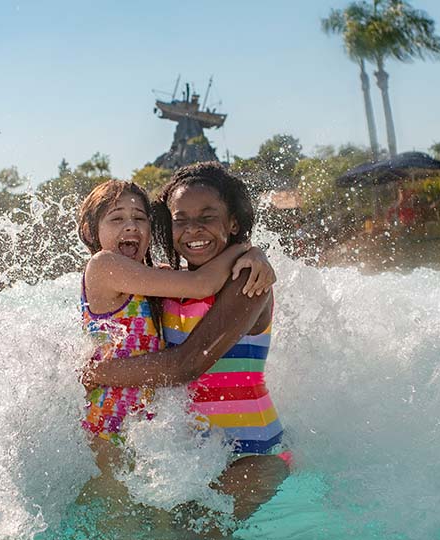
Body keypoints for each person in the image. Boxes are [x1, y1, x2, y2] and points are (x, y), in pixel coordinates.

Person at [85, 162, 289, 524]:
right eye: (181, 220)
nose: (194, 229)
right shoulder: (164, 285)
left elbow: (187, 365)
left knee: (200, 533)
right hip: (189, 457)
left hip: (251, 454)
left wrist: (100, 372)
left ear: (234, 223)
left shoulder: (247, 281)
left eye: (208, 217)